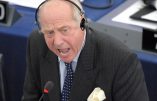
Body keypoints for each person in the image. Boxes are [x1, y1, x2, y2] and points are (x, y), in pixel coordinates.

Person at [22, 0, 149, 101]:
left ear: (83, 23)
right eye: (49, 32)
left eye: (64, 30)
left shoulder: (120, 61)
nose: (57, 42)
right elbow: (31, 97)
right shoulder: (37, 43)